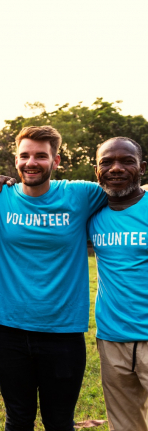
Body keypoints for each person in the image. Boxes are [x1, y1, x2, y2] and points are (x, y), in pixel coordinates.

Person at [0, 126, 106, 430]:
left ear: (56, 160)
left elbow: (128, 189)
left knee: (60, 421)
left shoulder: (80, 193)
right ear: (15, 160)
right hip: (8, 330)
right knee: (18, 418)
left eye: (41, 155)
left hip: (63, 331)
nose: (31, 162)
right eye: (24, 155)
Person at [88, 137, 148, 431]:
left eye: (127, 161)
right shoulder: (92, 213)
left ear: (142, 168)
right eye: (107, 162)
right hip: (111, 339)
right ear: (96, 169)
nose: (116, 168)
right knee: (125, 426)